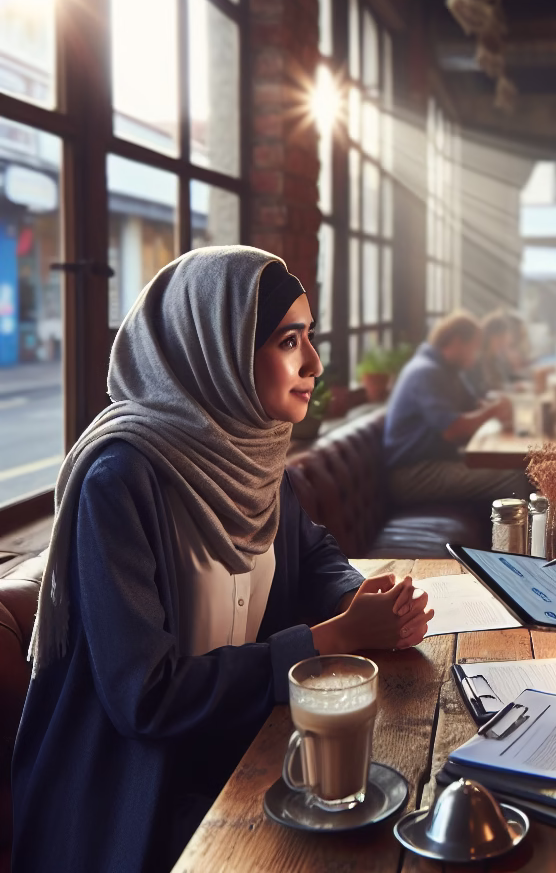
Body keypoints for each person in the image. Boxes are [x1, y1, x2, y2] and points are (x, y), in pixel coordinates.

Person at [11, 248, 433, 873]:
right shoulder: (120, 479)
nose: (313, 363)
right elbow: (143, 700)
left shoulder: (248, 453)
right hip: (141, 796)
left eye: (309, 337)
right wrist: (326, 640)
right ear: (217, 349)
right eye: (290, 340)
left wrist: (352, 597)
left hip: (239, 753)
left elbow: (311, 550)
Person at [385, 310, 527, 509]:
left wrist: (495, 409)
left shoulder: (448, 369)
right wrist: (493, 412)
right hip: (414, 474)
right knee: (513, 478)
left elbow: (474, 405)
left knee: (516, 467)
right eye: (475, 347)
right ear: (457, 341)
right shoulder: (426, 371)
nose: (477, 355)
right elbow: (452, 429)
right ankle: (513, 540)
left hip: (436, 461)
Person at [466, 310, 514, 396]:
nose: (502, 344)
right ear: (491, 336)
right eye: (500, 339)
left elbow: (500, 383)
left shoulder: (495, 359)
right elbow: (480, 392)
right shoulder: (474, 360)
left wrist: (511, 388)